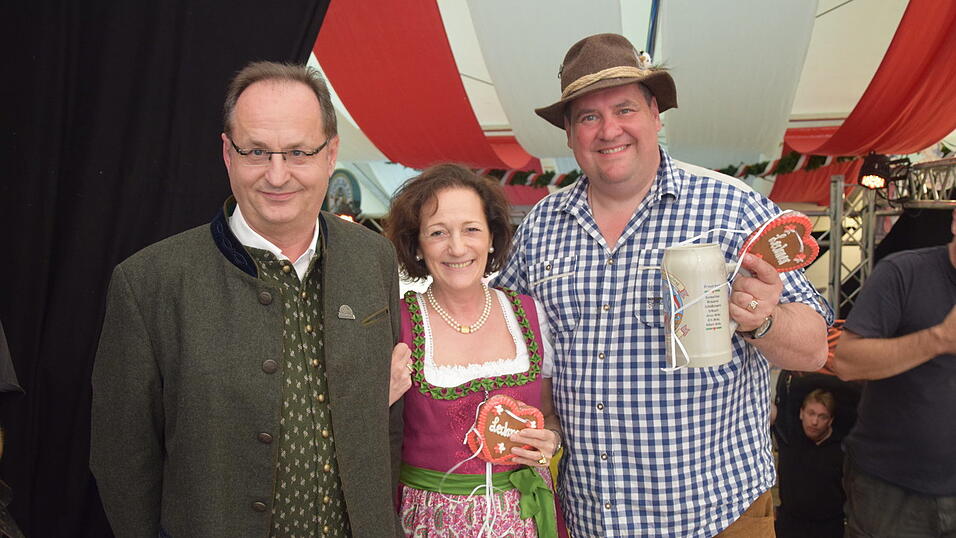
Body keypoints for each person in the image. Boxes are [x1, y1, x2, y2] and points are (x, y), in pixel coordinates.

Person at [493, 33, 832, 536]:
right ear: (568, 133)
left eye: (625, 108)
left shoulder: (731, 208)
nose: (609, 130)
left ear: (656, 114)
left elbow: (814, 349)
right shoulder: (541, 227)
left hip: (716, 517)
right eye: (588, 116)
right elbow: (508, 341)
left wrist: (761, 322)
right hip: (590, 520)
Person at [91, 62, 404, 538]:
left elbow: (386, 422)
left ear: (331, 153)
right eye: (257, 151)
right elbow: (122, 457)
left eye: (298, 152)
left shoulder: (373, 258)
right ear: (227, 153)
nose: (277, 176)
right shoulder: (149, 282)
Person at [385, 164, 564, 537]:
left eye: (471, 229)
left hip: (525, 519)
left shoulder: (531, 315)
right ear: (416, 245)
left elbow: (548, 415)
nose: (457, 247)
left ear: (493, 237)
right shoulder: (395, 324)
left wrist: (550, 439)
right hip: (428, 524)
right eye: (437, 233)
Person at [832, 208, 956, 537]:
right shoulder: (904, 272)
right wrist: (938, 339)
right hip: (892, 489)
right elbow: (846, 361)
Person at [774, 389, 846, 538]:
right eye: (811, 413)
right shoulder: (789, 436)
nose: (814, 422)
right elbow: (765, 409)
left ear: (831, 420)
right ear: (801, 413)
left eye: (822, 416)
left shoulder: (842, 448)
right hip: (790, 524)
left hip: (828, 527)